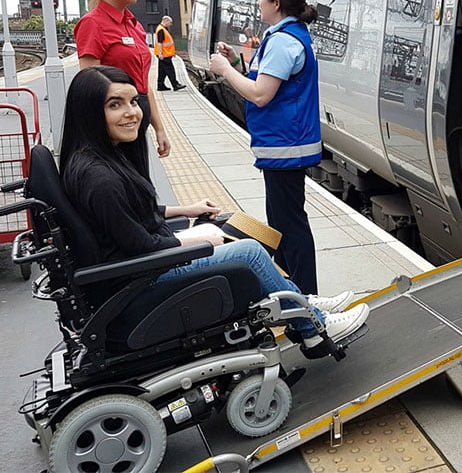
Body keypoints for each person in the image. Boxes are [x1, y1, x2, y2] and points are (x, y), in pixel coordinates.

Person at [59, 66, 369, 354]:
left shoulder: (98, 160)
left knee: (230, 223)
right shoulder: (99, 178)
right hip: (143, 279)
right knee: (248, 251)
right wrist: (195, 241)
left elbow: (131, 213)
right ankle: (313, 328)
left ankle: (298, 299)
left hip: (142, 269)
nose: (132, 113)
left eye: (133, 102)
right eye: (115, 105)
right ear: (89, 112)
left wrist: (188, 209)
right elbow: (137, 245)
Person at [210, 0, 321, 294]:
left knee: (289, 225)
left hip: (285, 145)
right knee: (284, 223)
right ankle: (292, 289)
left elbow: (260, 94)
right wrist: (236, 63)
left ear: (275, 3)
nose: (258, 3)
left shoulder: (284, 41)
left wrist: (226, 70)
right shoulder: (287, 35)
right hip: (285, 144)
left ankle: (306, 294)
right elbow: (268, 83)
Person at [74, 0, 170, 159]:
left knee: (139, 183)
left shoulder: (132, 24)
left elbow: (143, 83)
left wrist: (159, 128)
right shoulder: (93, 24)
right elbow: (89, 87)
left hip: (136, 117)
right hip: (114, 126)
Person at [154, 15, 186, 91]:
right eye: (170, 22)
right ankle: (175, 85)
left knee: (162, 71)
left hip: (164, 54)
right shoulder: (161, 30)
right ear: (166, 21)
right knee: (170, 70)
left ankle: (160, 85)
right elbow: (160, 43)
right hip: (164, 54)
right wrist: (161, 53)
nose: (171, 24)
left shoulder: (162, 29)